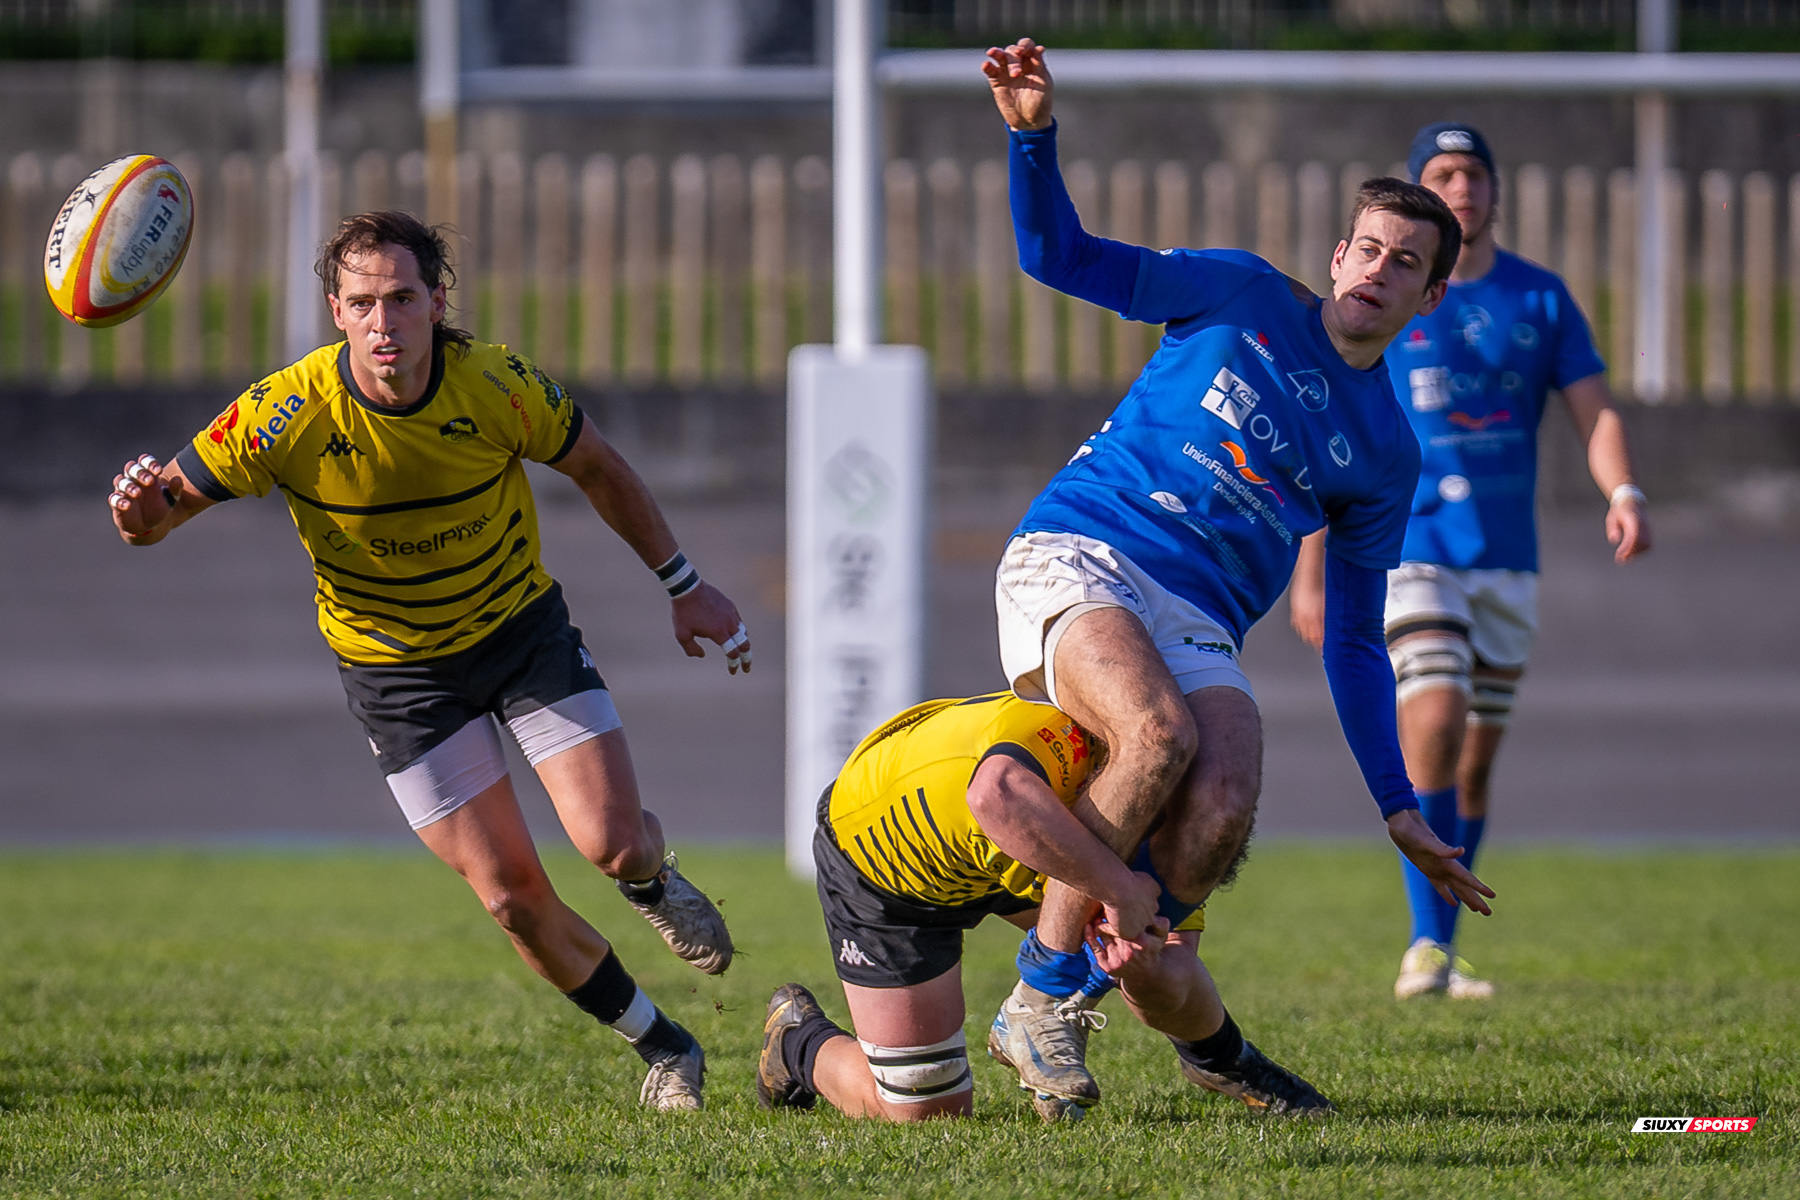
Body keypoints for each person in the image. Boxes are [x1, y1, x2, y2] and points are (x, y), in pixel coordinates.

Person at [105, 211, 753, 1110]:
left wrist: (686, 585)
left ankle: (651, 878)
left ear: (436, 301)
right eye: (363, 302)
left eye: (402, 299)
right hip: (396, 678)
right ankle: (665, 1047)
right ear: (335, 310)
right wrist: (139, 509)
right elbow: (160, 514)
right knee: (511, 898)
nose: (384, 322)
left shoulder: (495, 384)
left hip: (519, 634)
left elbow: (600, 467)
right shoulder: (282, 414)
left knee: (609, 842)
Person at [975, 38, 1496, 1114]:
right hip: (1085, 547)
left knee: (1221, 808)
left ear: (1430, 299)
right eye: (1365, 248)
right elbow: (1056, 256)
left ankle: (1100, 968)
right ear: (1340, 251)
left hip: (1201, 614)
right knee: (1156, 737)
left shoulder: (1387, 453)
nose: (1374, 270)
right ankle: (1042, 996)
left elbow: (1353, 636)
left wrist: (1397, 805)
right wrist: (1033, 136)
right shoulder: (1237, 292)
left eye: (1404, 263)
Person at [1287, 123, 1652, 1001]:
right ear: (1419, 191)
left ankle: (1443, 947)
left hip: (1506, 559)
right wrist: (1311, 574)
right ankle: (1422, 943)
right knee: (1436, 718)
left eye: (1474, 174)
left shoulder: (1540, 300)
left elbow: (1593, 412)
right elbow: (1322, 436)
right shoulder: (1385, 294)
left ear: (1494, 194)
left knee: (1474, 764)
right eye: (1442, 173)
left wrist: (1624, 492)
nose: (1461, 187)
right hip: (1408, 549)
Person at [754, 692, 1332, 1122]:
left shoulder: (1180, 829)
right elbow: (996, 793)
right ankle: (796, 1040)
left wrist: (1142, 959)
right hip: (886, 853)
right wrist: (1120, 890)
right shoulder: (1075, 744)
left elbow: (1176, 971)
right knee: (925, 1111)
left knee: (1146, 942)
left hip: (1003, 850)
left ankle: (1228, 1062)